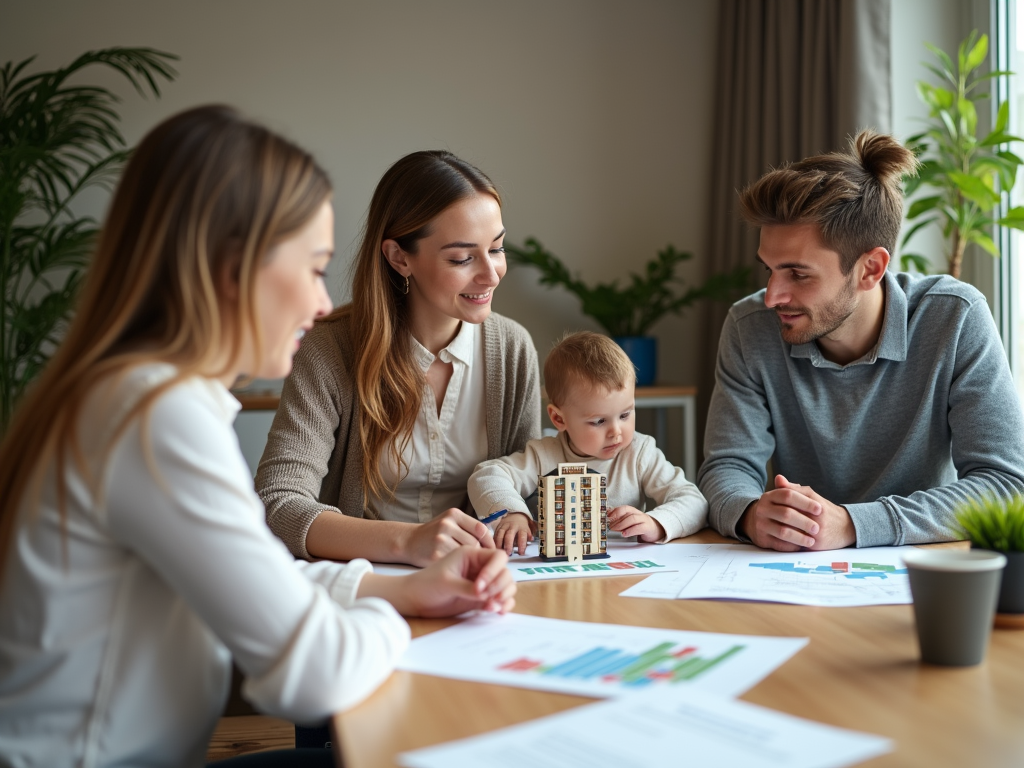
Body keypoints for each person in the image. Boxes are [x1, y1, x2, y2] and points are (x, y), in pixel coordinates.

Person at [0, 105, 516, 768]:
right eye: (311, 267)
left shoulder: (135, 395)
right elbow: (310, 675)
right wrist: (397, 622)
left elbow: (262, 578)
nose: (322, 302)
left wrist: (402, 590)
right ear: (231, 267)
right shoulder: (155, 418)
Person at [697, 129, 1024, 552]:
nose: (773, 296)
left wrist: (853, 524)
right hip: (798, 576)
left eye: (798, 274)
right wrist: (749, 513)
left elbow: (1005, 484)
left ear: (870, 268)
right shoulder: (749, 326)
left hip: (921, 570)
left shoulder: (954, 317)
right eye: (769, 269)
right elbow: (727, 466)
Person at [256, 151, 541, 567]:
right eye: (462, 258)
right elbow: (277, 504)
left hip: (477, 581)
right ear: (399, 257)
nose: (491, 273)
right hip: (361, 584)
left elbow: (527, 492)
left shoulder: (513, 349)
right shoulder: (329, 350)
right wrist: (409, 542)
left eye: (496, 248)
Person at [468, 331, 708, 554]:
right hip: (557, 572)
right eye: (599, 421)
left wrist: (657, 523)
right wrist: (514, 513)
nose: (616, 432)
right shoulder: (543, 455)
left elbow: (694, 502)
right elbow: (486, 476)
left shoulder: (639, 452)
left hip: (620, 572)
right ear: (559, 418)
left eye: (625, 415)